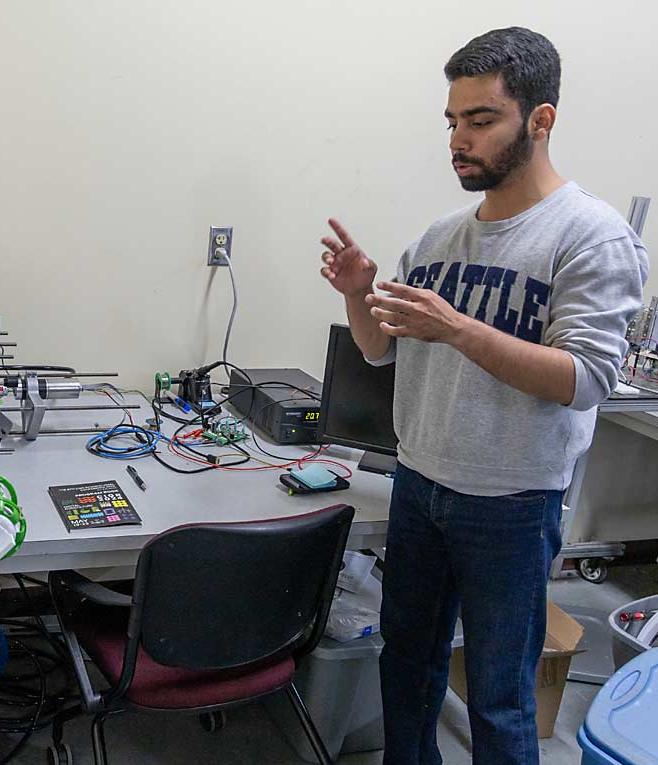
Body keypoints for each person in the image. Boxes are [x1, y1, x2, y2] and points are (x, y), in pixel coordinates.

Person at [318, 26, 648, 765]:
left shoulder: (590, 237)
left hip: (511, 505)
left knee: (500, 695)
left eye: (481, 119)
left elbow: (585, 377)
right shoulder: (438, 238)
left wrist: (461, 329)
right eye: (452, 120)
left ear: (541, 119)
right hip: (421, 484)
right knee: (406, 667)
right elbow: (381, 350)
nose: (458, 140)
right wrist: (359, 293)